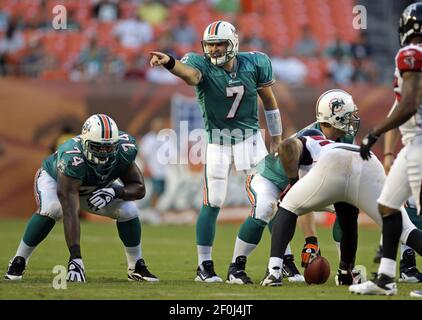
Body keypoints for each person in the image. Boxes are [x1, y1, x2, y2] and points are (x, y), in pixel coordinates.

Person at [149, 20, 282, 282]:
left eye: (219, 44)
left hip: (250, 138)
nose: (214, 50)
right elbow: (192, 76)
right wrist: (169, 62)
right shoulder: (199, 64)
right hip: (217, 141)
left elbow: (269, 99)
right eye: (210, 45)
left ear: (232, 44)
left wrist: (276, 137)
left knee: (269, 199)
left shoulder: (255, 62)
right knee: (214, 201)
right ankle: (204, 266)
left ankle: (282, 260)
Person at [226, 89, 361, 285]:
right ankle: (236, 268)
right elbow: (303, 192)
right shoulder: (309, 137)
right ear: (335, 117)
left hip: (298, 184)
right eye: (348, 115)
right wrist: (311, 240)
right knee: (265, 208)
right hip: (268, 178)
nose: (353, 119)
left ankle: (345, 269)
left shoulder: (346, 137)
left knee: (347, 207)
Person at [5, 114, 158, 283]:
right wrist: (75, 257)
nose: (104, 152)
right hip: (55, 181)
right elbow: (70, 210)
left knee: (129, 210)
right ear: (85, 143)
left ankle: (136, 266)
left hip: (91, 186)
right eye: (97, 147)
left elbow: (139, 188)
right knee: (53, 209)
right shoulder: (72, 157)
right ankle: (19, 260)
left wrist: (115, 192)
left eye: (108, 147)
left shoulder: (124, 150)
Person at [260, 130, 422, 288]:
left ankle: (274, 271)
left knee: (287, 206)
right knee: (403, 229)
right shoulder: (330, 144)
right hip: (369, 161)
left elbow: (286, 146)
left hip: (335, 162)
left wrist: (293, 181)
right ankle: (346, 272)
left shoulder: (308, 141)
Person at [355, 3, 422, 295]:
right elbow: (402, 104)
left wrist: (374, 133)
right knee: (388, 205)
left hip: (420, 142)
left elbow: (407, 105)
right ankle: (385, 278)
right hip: (411, 144)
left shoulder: (411, 53)